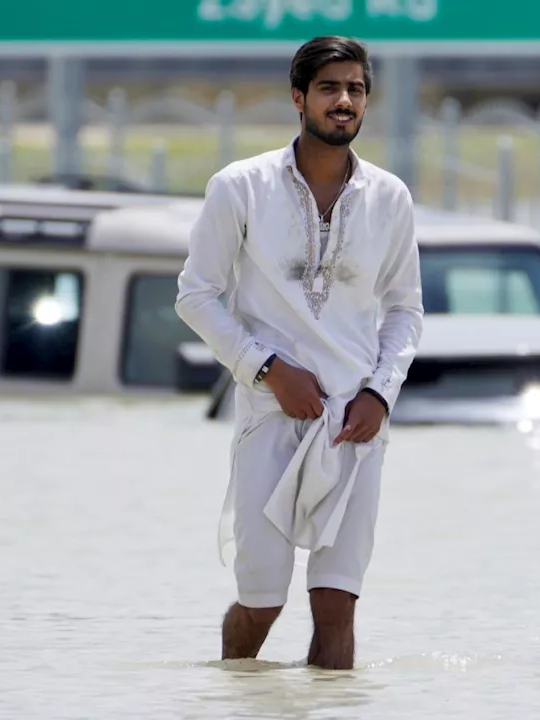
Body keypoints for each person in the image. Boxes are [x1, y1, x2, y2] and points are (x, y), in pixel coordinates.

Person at [174, 35, 424, 670]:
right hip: (271, 415)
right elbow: (196, 297)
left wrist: (379, 395)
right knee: (261, 601)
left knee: (337, 603)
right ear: (298, 98)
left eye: (356, 89)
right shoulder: (241, 186)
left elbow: (404, 310)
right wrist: (266, 368)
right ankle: (236, 700)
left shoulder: (389, 197)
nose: (344, 101)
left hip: (354, 423)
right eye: (329, 88)